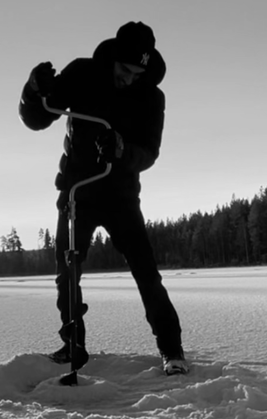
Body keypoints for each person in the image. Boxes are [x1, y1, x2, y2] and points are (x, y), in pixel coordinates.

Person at [18, 21, 188, 376]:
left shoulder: (151, 97)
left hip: (121, 194)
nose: (129, 79)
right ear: (113, 58)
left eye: (137, 74)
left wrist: (122, 150)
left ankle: (171, 350)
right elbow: (37, 118)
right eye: (124, 70)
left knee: (146, 271)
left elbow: (150, 152)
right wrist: (32, 91)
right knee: (67, 271)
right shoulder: (82, 73)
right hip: (77, 190)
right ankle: (73, 346)